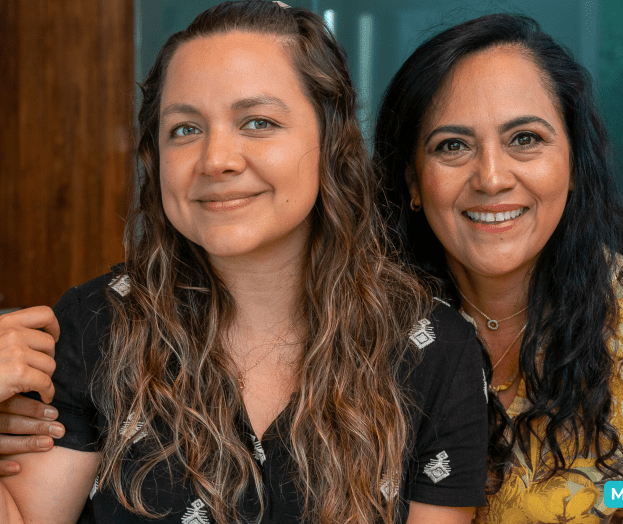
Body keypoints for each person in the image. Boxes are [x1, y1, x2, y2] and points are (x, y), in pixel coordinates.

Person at [0, 2, 490, 523]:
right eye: (185, 129)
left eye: (258, 122)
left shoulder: (433, 347)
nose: (216, 160)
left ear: (330, 142)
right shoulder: (93, 325)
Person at [373, 13, 623, 523]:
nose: (492, 177)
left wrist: (617, 498)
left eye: (525, 138)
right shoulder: (356, 322)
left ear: (573, 165)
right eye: (452, 145)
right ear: (413, 183)